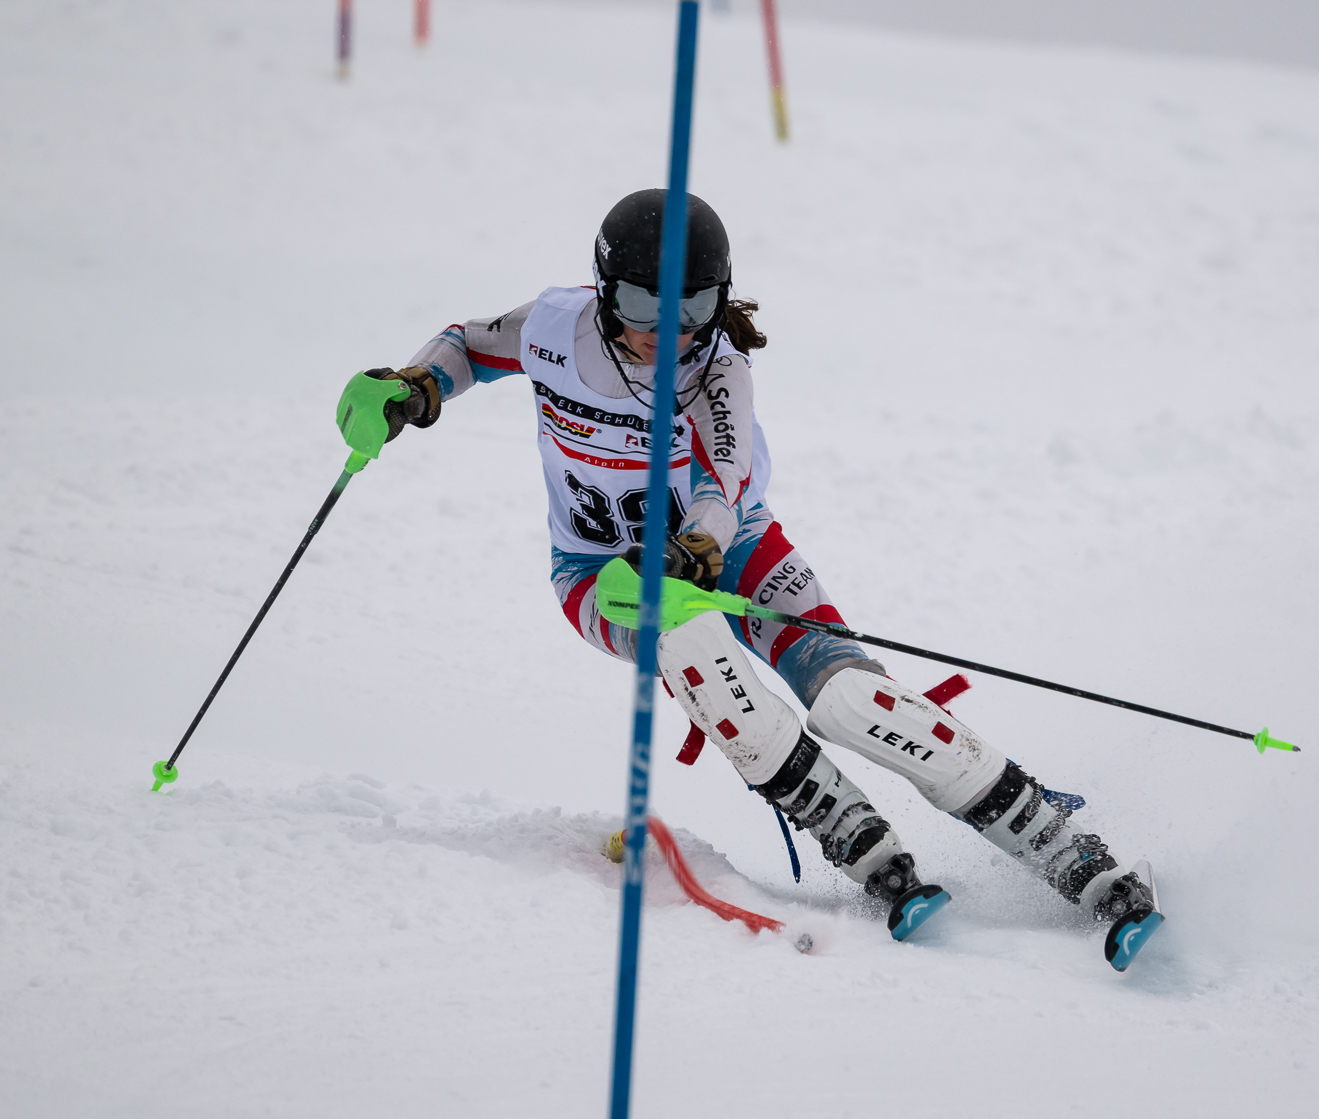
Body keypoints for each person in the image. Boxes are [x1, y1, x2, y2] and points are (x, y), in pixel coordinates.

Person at [337, 189, 1158, 964]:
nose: (665, 331)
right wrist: (415, 385)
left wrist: (698, 546)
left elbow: (722, 483)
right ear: (601, 292)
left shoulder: (718, 370)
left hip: (731, 549)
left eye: (691, 308)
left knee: (848, 698)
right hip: (598, 574)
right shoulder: (555, 326)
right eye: (640, 306)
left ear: (720, 299)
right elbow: (470, 344)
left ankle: (1057, 840)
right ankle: (849, 830)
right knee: (693, 643)